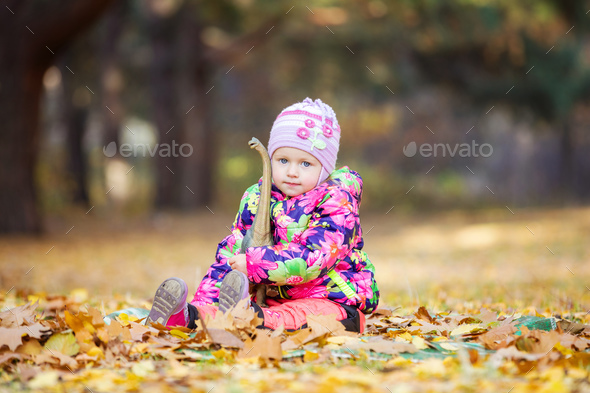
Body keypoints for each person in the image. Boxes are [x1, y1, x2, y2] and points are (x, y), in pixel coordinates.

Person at [147, 98, 379, 333]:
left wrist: (254, 264)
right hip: (272, 301)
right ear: (270, 159)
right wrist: (207, 301)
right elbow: (232, 254)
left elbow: (314, 258)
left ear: (325, 168)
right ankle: (189, 317)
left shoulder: (336, 201)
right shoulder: (257, 199)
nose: (291, 172)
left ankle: (251, 319)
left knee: (297, 316)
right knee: (237, 306)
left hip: (334, 301)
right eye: (283, 160)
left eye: (306, 164)